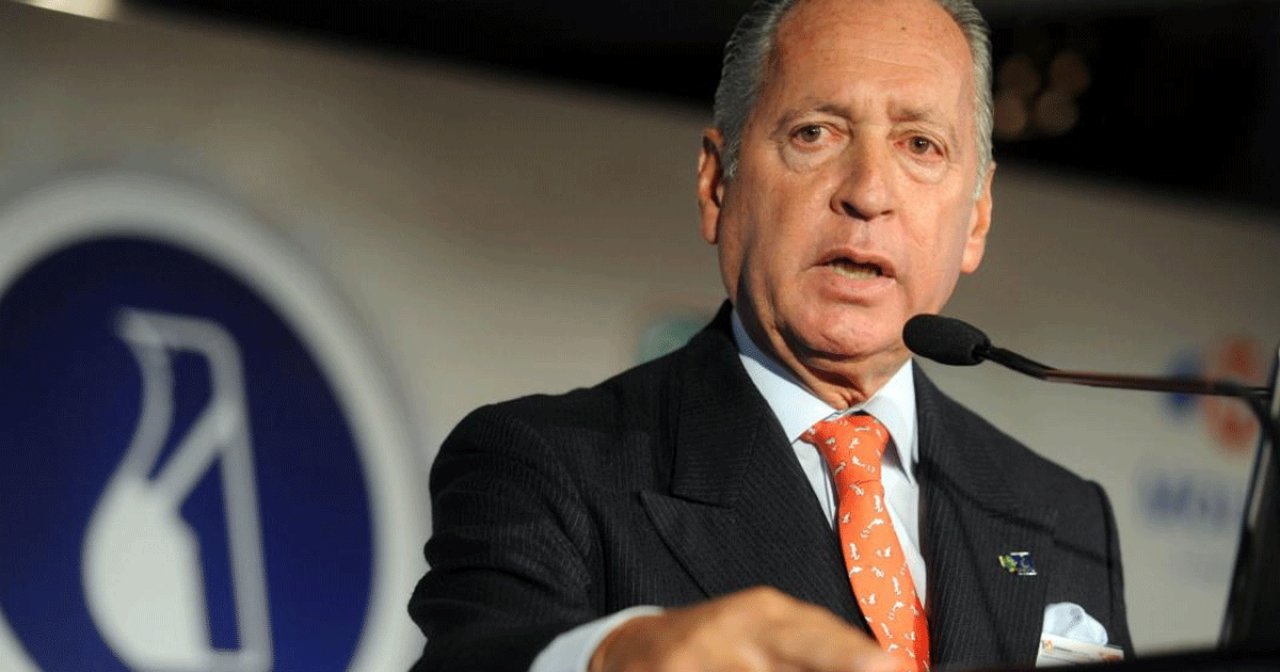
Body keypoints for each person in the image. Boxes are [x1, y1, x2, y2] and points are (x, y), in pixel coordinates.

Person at [409, 0, 1133, 670]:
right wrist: (615, 657)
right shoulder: (545, 464)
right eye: (815, 133)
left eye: (920, 144)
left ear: (976, 219)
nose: (868, 192)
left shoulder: (1062, 512)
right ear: (716, 185)